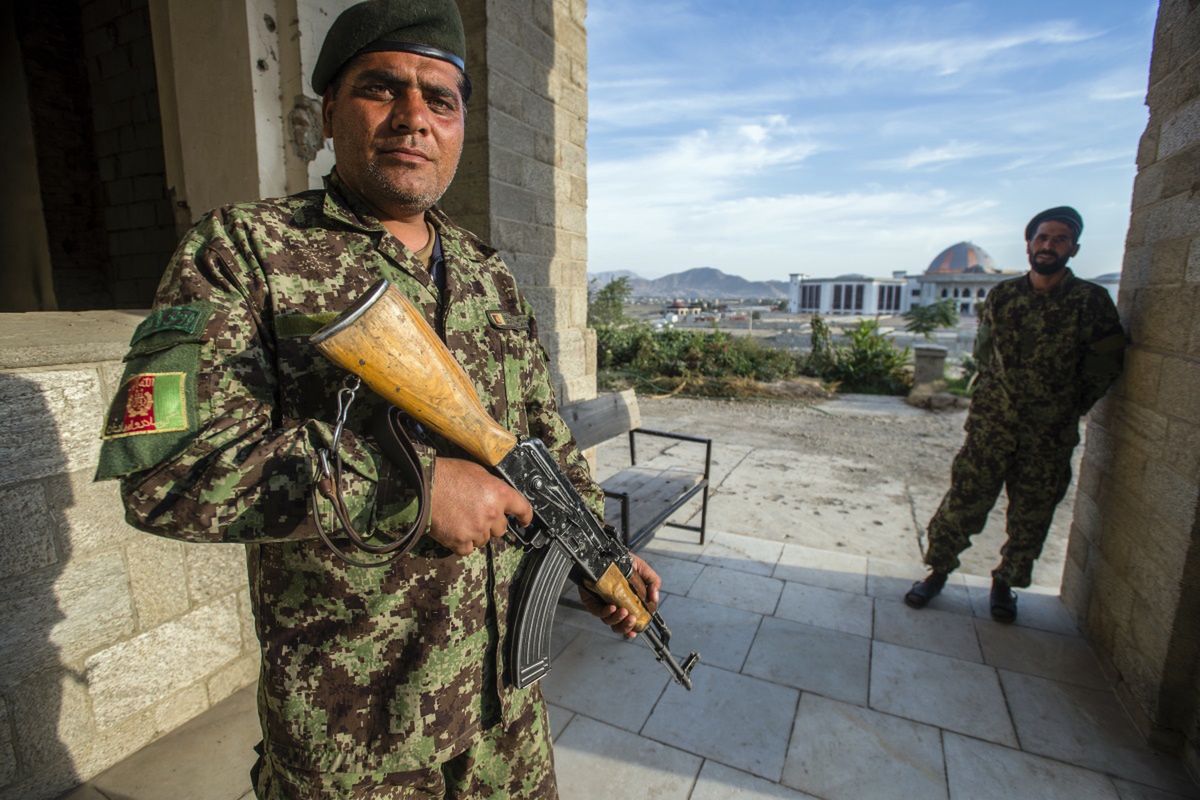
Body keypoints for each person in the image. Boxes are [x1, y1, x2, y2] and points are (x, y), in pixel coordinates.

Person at [94, 2, 660, 796]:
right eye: (381, 88)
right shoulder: (243, 253)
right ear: (328, 110)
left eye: (440, 98)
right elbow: (165, 475)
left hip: (507, 720)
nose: (413, 119)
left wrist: (596, 551)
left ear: (460, 125)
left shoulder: (487, 273)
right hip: (357, 736)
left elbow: (541, 440)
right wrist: (409, 492)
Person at [904, 206, 1125, 622]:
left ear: (1073, 248)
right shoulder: (1004, 296)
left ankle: (1006, 582)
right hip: (992, 426)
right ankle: (938, 571)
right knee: (964, 499)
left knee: (1031, 512)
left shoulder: (1090, 302)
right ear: (1029, 245)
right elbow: (985, 354)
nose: (1048, 245)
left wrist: (1067, 406)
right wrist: (992, 400)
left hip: (1048, 433)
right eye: (1042, 238)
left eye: (1059, 239)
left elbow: (1106, 365)